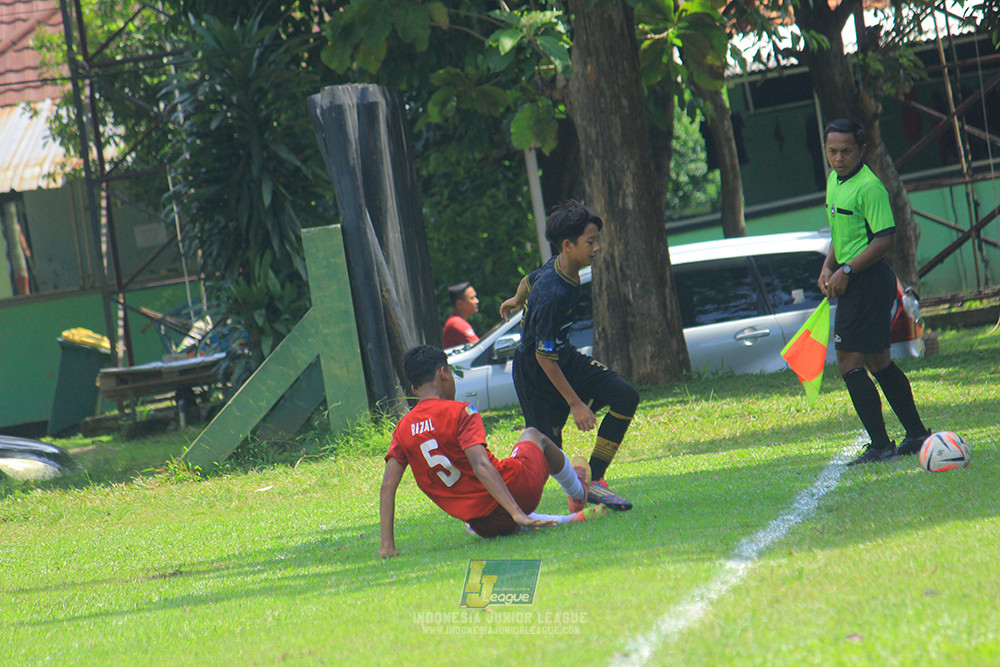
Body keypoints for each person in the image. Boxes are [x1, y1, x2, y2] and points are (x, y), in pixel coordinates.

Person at [379, 345, 607, 559]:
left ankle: (566, 519)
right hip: (516, 490)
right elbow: (480, 465)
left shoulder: (403, 428)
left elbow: (388, 485)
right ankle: (578, 492)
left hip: (483, 524)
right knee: (534, 436)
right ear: (444, 374)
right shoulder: (460, 411)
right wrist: (516, 511)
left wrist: (387, 545)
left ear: (414, 389)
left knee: (495, 519)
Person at [500, 201, 639, 511]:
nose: (597, 248)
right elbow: (543, 358)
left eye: (596, 240)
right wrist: (576, 403)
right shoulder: (554, 294)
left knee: (624, 396)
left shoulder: (557, 265)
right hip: (536, 372)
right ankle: (499, 502)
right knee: (546, 453)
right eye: (590, 242)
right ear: (568, 245)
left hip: (562, 356)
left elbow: (529, 279)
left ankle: (594, 481)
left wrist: (516, 298)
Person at [817, 118, 931, 466]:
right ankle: (916, 434)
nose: (838, 158)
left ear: (861, 150)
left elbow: (885, 239)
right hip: (852, 278)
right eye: (832, 151)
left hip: (867, 281)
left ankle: (881, 445)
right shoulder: (835, 181)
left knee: (848, 362)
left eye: (846, 151)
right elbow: (841, 232)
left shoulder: (870, 187)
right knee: (879, 361)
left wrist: (847, 270)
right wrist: (827, 266)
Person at [441, 282, 480, 348]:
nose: (477, 301)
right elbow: (480, 348)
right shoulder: (457, 323)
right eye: (472, 298)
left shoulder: (456, 321)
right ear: (459, 304)